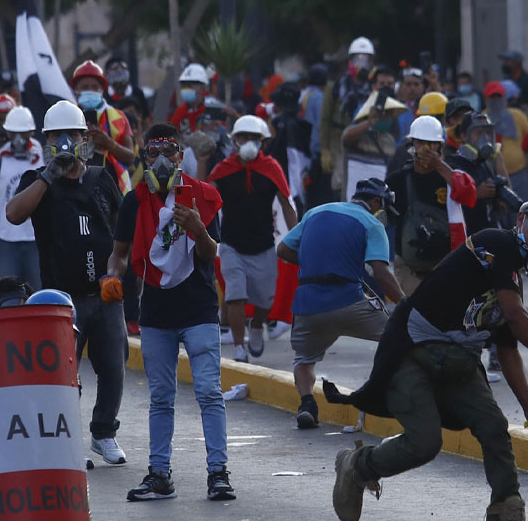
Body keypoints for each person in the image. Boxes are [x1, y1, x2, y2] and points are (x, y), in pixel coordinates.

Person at [325, 192, 528, 521]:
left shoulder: (509, 279)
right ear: (523, 217)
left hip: (457, 363)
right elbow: (513, 313)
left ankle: (510, 517)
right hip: (411, 353)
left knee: (494, 428)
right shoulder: (496, 242)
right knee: (425, 443)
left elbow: (507, 351)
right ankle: (357, 466)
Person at [104, 123, 230, 500]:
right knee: (161, 397)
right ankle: (159, 474)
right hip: (156, 310)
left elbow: (211, 254)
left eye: (168, 152)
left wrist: (197, 227)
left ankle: (218, 473)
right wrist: (113, 275)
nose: (161, 161)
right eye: (153, 153)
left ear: (180, 156)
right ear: (144, 158)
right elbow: (120, 252)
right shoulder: (134, 201)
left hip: (199, 309)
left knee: (209, 392)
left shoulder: (202, 197)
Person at [7, 100, 128, 466]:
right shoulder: (37, 182)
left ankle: (103, 434)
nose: (64, 142)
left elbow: (123, 228)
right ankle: (66, 441)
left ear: (84, 138)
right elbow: (13, 214)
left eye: (71, 135)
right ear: (46, 141)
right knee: (61, 373)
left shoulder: (100, 177)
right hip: (61, 299)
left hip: (104, 294)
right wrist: (48, 175)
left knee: (113, 366)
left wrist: (117, 271)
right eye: (56, 136)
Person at [279, 178, 403, 427]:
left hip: (308, 305)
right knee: (399, 338)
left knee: (304, 359)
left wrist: (315, 264)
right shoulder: (371, 223)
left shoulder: (315, 212)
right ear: (377, 202)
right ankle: (387, 394)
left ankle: (307, 404)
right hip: (350, 302)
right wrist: (407, 305)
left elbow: (283, 250)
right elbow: (381, 274)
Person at [207, 115, 296, 362]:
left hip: (264, 245)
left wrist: (298, 237)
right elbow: (205, 196)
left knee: (265, 299)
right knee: (235, 294)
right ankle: (238, 347)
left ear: (263, 142)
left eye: (254, 138)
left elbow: (286, 203)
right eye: (243, 137)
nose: (248, 142)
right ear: (235, 140)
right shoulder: (224, 168)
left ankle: (257, 325)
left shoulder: (271, 168)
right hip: (231, 244)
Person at [385, 115, 478, 295]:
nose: (425, 148)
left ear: (440, 146)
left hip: (445, 264)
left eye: (431, 143)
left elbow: (469, 195)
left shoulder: (450, 177)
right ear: (412, 145)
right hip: (408, 266)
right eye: (420, 143)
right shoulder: (398, 179)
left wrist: (439, 165)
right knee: (414, 314)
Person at [0, 105, 44, 289]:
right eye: (14, 133)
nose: (18, 139)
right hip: (6, 237)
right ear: (7, 132)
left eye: (23, 133)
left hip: (36, 236)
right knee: (3, 290)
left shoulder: (41, 156)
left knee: (40, 290)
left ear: (31, 132)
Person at [320, 37, 377, 194]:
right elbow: (325, 119)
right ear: (349, 61)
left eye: (366, 59)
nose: (362, 63)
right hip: (338, 141)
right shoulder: (336, 87)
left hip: (364, 139)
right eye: (357, 58)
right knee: (340, 180)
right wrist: (325, 149)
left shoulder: (374, 88)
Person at [71, 60, 137, 190]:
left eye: (95, 87)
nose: (90, 90)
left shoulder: (118, 117)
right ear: (76, 90)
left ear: (102, 89)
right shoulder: (68, 116)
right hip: (76, 187)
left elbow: (130, 158)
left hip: (113, 187)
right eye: (84, 87)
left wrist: (108, 143)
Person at [340, 87, 408, 199]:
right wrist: (369, 123)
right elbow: (347, 138)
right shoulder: (358, 133)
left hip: (377, 201)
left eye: (388, 115)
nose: (385, 118)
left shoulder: (389, 139)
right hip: (352, 200)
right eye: (383, 114)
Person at [482, 82, 528, 201]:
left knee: (522, 210)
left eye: (498, 97)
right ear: (486, 99)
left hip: (519, 174)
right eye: (492, 97)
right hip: (491, 177)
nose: (495, 100)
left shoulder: (517, 115)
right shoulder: (481, 119)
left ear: (504, 98)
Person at [105, 57, 150, 122]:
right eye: (115, 68)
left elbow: (146, 119)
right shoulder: (104, 97)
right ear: (107, 74)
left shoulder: (138, 93)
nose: (120, 71)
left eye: (123, 68)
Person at [169, 63, 210, 132]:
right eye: (184, 86)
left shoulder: (210, 110)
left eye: (189, 86)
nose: (186, 89)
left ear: (202, 87)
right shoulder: (180, 111)